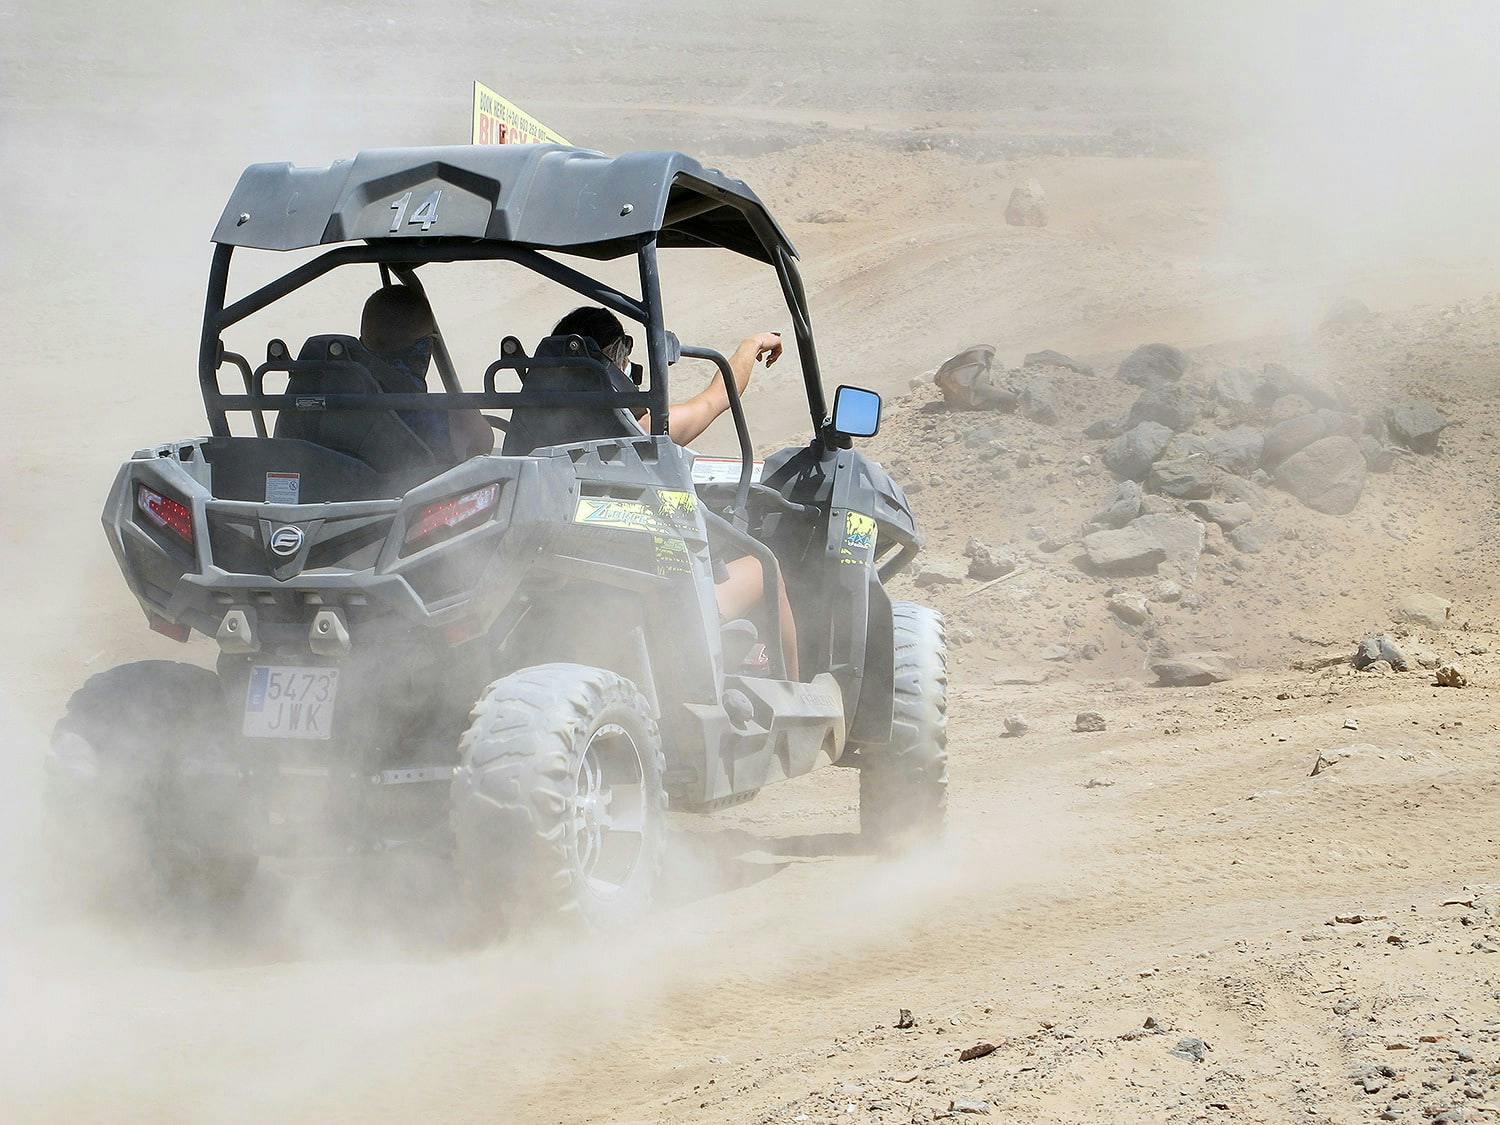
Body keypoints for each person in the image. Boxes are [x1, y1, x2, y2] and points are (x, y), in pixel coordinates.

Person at [550, 306, 798, 679]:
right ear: (614, 358)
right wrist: (752, 345)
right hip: (654, 602)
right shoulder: (638, 434)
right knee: (766, 567)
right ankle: (796, 700)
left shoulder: (531, 438)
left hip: (554, 595)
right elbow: (717, 398)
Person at [359, 286, 494, 462]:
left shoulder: (330, 403)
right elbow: (482, 452)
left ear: (364, 338)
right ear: (424, 347)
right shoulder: (458, 418)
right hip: (432, 488)